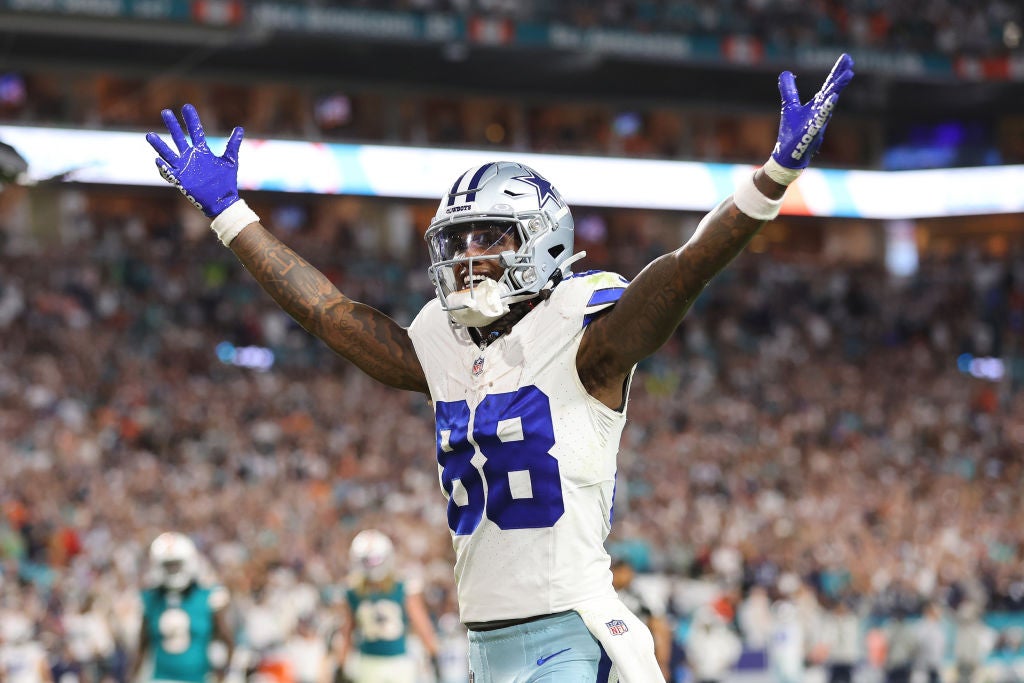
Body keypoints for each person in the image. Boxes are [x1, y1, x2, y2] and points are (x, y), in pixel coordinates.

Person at [146, 52, 854, 682]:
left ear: (543, 241)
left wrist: (771, 180)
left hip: (572, 632)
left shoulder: (585, 332)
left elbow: (681, 273)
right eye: (459, 240)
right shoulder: (443, 342)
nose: (469, 257)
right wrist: (232, 214)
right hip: (484, 642)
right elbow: (329, 313)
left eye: (489, 237)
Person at [129, 532, 236, 683]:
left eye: (176, 565)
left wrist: (223, 675)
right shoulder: (150, 599)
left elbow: (226, 641)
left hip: (198, 678)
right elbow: (141, 647)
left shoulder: (209, 596)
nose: (173, 570)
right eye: (168, 565)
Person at [336, 529, 440, 683]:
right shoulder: (402, 585)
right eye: (367, 561)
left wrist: (340, 664)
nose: (371, 565)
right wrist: (433, 654)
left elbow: (346, 633)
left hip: (378, 664)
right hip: (389, 664)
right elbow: (422, 626)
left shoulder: (354, 590)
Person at [610, 558, 673, 679]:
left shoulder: (642, 597)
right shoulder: (607, 595)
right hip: (615, 654)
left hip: (638, 654)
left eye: (624, 572)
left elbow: (659, 627)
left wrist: (662, 662)